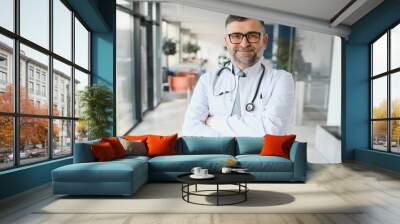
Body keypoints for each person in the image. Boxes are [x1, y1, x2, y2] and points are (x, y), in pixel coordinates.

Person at [181, 15, 295, 137]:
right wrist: (232, 141)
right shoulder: (208, 80)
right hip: (215, 155)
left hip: (261, 156)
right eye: (236, 36)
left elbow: (273, 130)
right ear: (226, 41)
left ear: (265, 40)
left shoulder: (281, 79)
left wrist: (212, 121)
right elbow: (190, 128)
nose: (244, 43)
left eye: (252, 36)